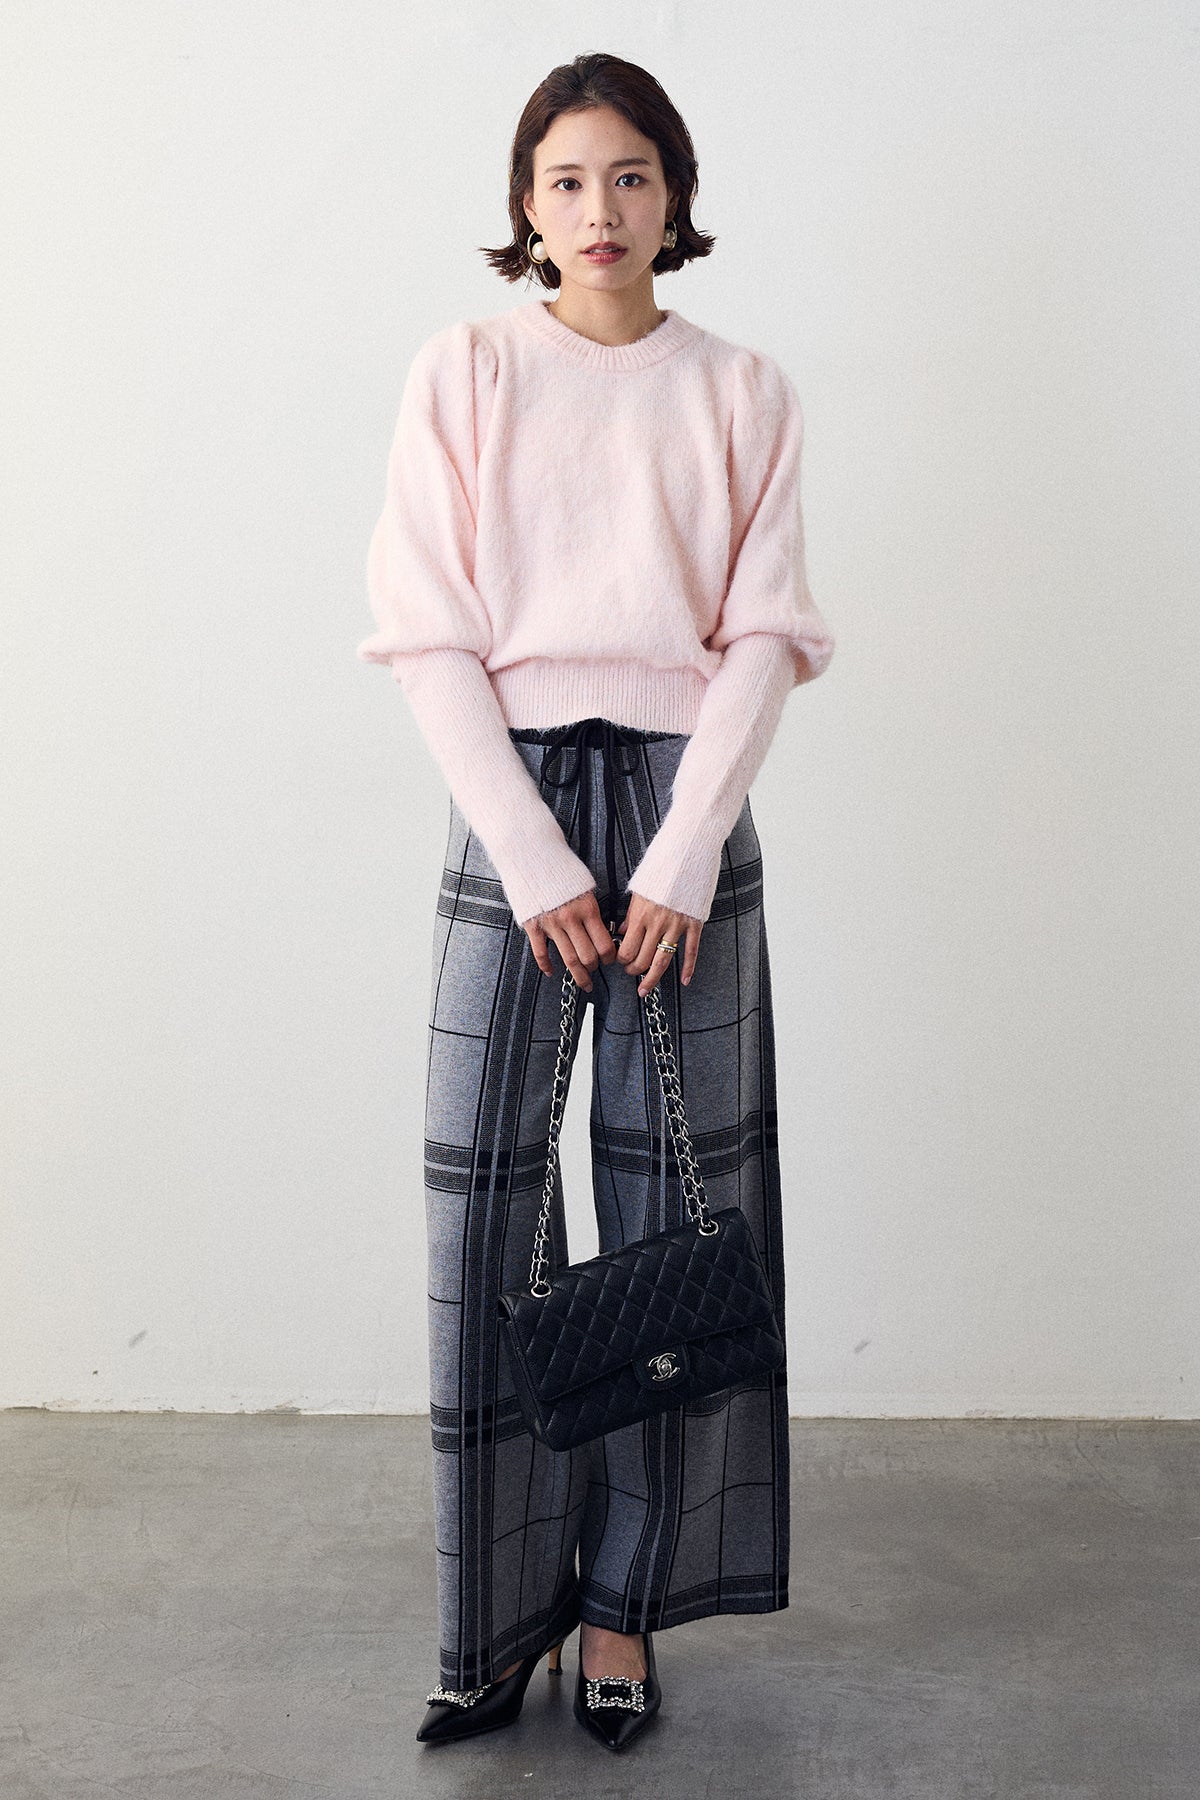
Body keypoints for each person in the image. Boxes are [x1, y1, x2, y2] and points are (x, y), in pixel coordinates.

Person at [356, 51, 835, 1754]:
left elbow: (765, 634)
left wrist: (684, 851)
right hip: (516, 804)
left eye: (632, 176)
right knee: (480, 1206)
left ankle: (625, 1605)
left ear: (674, 196)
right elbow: (426, 630)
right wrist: (537, 857)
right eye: (567, 180)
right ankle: (493, 1620)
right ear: (525, 206)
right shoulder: (468, 371)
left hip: (689, 804)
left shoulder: (742, 389)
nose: (601, 209)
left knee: (672, 1212)